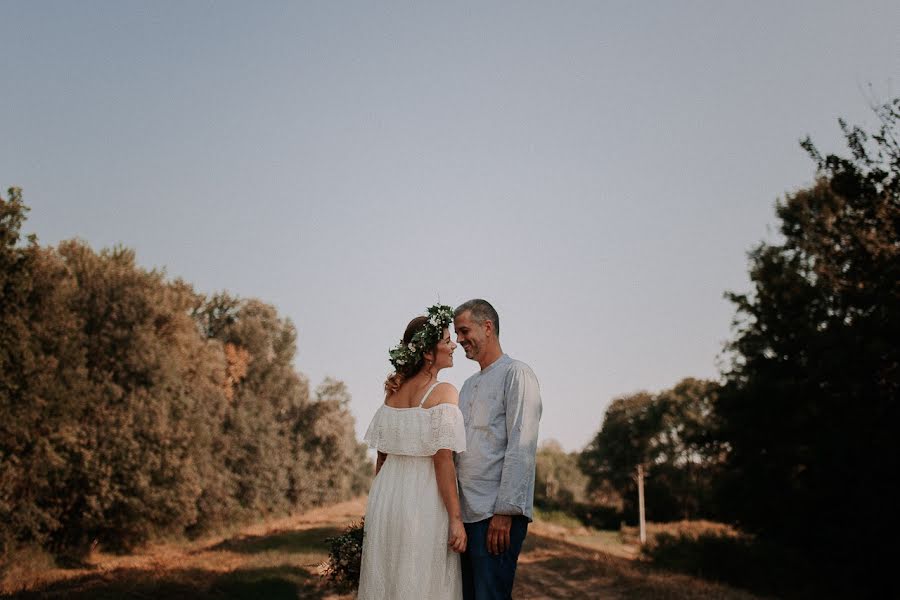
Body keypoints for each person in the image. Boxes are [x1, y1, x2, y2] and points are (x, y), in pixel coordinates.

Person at [358, 304, 468, 599]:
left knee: (390, 578)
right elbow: (443, 460)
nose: (454, 344)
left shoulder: (393, 392)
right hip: (423, 498)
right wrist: (456, 519)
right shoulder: (444, 392)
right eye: (447, 340)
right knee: (424, 580)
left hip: (387, 495)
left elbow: (380, 459)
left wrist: (378, 505)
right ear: (429, 353)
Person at [453, 299, 542, 600]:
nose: (459, 340)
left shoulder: (517, 374)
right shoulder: (466, 385)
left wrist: (505, 512)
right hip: (465, 517)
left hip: (495, 516)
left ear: (487, 327)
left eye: (464, 331)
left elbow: (522, 445)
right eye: (456, 333)